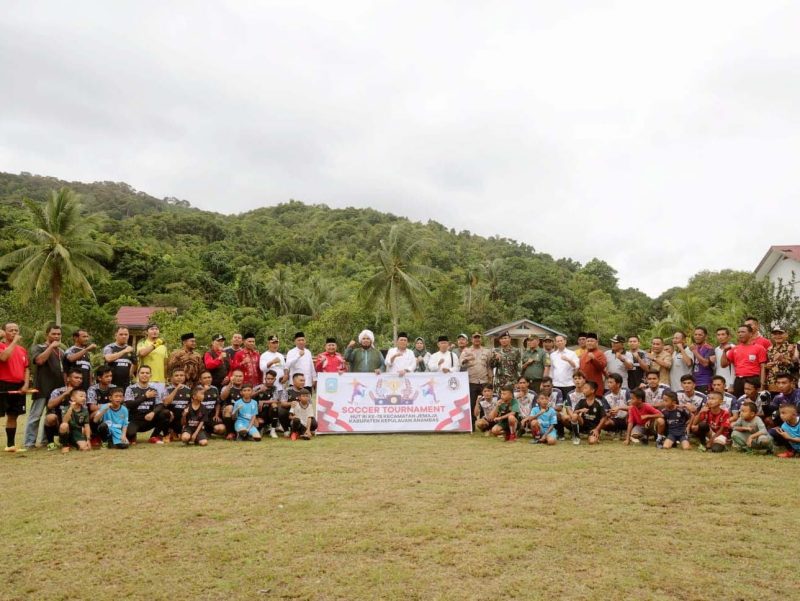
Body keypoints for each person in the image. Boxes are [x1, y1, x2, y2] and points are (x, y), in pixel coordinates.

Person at [26, 323, 63, 450]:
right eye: (54, 334)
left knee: (50, 416)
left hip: (56, 390)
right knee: (35, 416)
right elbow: (39, 361)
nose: (56, 336)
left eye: (59, 334)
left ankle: (45, 441)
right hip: (42, 387)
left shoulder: (61, 352)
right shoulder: (39, 347)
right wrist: (50, 347)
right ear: (47, 334)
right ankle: (29, 443)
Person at [0, 322, 31, 453]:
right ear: (4, 333)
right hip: (2, 384)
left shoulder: (22, 349)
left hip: (18, 385)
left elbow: (26, 368)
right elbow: (4, 357)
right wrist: (13, 342)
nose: (14, 332)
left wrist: (26, 384)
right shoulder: (1, 346)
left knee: (13, 415)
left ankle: (10, 445)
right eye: (11, 330)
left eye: (16, 330)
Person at [124, 365, 168, 444]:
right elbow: (129, 404)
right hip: (135, 420)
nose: (145, 375)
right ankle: (132, 436)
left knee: (165, 413)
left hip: (149, 419)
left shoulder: (154, 389)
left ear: (150, 375)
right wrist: (145, 397)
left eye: (147, 373)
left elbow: (160, 404)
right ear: (138, 375)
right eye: (142, 373)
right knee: (130, 434)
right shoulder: (130, 388)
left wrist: (153, 412)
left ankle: (154, 437)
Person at [721, 324, 767, 397]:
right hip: (738, 380)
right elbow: (723, 365)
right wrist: (724, 352)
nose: (740, 334)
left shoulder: (759, 348)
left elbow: (763, 367)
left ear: (751, 334)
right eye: (739, 332)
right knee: (739, 401)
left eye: (743, 332)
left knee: (753, 402)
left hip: (753, 379)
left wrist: (762, 385)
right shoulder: (735, 349)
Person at [44, 368, 84, 449]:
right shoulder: (58, 391)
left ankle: (69, 440)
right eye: (76, 377)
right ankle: (51, 443)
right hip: (59, 423)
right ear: (68, 378)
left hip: (75, 424)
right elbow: (49, 405)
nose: (79, 380)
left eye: (80, 378)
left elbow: (84, 411)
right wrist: (65, 394)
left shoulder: (82, 393)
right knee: (50, 417)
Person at [459, 332, 493, 427]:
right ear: (471, 340)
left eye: (478, 338)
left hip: (484, 380)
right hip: (471, 381)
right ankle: (472, 425)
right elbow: (461, 364)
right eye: (475, 338)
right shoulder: (466, 351)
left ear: (481, 339)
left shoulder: (487, 351)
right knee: (472, 403)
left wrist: (490, 379)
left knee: (485, 403)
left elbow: (489, 366)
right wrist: (466, 360)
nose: (477, 339)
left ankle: (484, 424)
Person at [569, 380, 605, 445]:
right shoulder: (581, 401)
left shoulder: (598, 402)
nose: (583, 390)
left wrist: (597, 429)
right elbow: (575, 412)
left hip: (593, 427)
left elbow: (604, 418)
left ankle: (594, 437)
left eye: (585, 388)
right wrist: (580, 410)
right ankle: (576, 437)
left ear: (592, 390)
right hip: (582, 424)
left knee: (592, 442)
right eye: (583, 388)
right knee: (574, 416)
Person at [136, 323, 168, 393]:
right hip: (145, 379)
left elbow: (165, 364)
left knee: (160, 400)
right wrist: (156, 344)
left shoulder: (163, 347)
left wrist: (165, 379)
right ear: (146, 332)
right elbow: (142, 353)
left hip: (160, 381)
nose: (155, 331)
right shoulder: (142, 343)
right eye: (152, 329)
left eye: (156, 329)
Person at [58, 388, 92, 454]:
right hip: (68, 430)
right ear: (72, 398)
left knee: (85, 448)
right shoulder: (65, 408)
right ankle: (65, 445)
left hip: (77, 431)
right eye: (81, 396)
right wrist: (71, 408)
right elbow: (64, 421)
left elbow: (87, 425)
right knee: (64, 425)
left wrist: (88, 439)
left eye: (85, 397)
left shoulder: (85, 410)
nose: (84, 398)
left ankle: (74, 444)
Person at [764, 326, 795, 395]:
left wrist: (783, 360)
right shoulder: (769, 349)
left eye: (780, 333)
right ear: (772, 336)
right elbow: (766, 365)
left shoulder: (792, 347)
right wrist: (767, 366)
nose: (778, 336)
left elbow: (795, 366)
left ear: (786, 335)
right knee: (774, 401)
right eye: (775, 334)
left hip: (787, 383)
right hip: (772, 383)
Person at [162, 368, 191, 440]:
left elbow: (191, 404)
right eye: (176, 375)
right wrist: (177, 388)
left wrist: (186, 411)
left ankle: (181, 431)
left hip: (183, 418)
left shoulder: (189, 390)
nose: (179, 377)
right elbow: (166, 403)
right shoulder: (167, 389)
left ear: (185, 377)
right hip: (172, 417)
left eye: (181, 375)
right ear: (172, 378)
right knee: (165, 413)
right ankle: (168, 432)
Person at [256, 369, 284, 438]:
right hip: (258, 412)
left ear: (275, 379)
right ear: (265, 378)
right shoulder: (259, 387)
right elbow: (249, 395)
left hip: (269, 412)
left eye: (272, 379)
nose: (270, 380)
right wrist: (259, 391)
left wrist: (263, 401)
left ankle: (273, 430)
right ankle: (263, 427)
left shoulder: (276, 389)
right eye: (268, 379)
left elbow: (276, 400)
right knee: (258, 430)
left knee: (274, 406)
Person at [549, 335, 578, 400]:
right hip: (556, 384)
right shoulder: (552, 355)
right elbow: (551, 370)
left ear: (565, 342)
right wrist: (551, 382)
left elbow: (576, 366)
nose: (559, 342)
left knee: (568, 403)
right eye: (558, 341)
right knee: (556, 403)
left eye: (561, 341)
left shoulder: (572, 353)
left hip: (569, 384)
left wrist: (568, 360)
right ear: (555, 343)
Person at [601, 373, 630, 438]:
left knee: (631, 414)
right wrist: (610, 413)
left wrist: (619, 408)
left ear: (618, 384)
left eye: (611, 382)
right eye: (608, 382)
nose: (608, 384)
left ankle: (626, 431)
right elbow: (606, 412)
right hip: (615, 419)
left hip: (627, 418)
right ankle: (615, 431)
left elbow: (632, 407)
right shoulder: (606, 396)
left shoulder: (626, 392)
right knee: (605, 422)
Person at [198, 370, 226, 437]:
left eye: (209, 377)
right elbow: (195, 402)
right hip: (200, 415)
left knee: (221, 429)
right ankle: (204, 430)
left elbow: (217, 403)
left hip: (211, 415)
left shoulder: (215, 388)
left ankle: (209, 431)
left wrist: (216, 415)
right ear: (200, 380)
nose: (208, 379)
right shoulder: (197, 388)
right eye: (205, 378)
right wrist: (204, 390)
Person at [688, 327, 715, 393]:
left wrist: (695, 351)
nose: (697, 336)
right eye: (695, 334)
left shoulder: (709, 348)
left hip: (705, 382)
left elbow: (705, 363)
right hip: (694, 382)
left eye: (700, 335)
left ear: (705, 336)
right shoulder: (692, 347)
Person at [219, 369, 245, 439]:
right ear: (232, 377)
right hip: (229, 412)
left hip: (243, 411)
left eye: (240, 376)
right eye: (236, 376)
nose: (238, 378)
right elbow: (222, 398)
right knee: (230, 407)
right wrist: (230, 383)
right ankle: (230, 432)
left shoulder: (246, 388)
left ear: (243, 377)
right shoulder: (226, 387)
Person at [714, 327, 736, 392]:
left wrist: (731, 384)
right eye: (718, 335)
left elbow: (735, 367)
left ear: (728, 336)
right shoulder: (716, 349)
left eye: (723, 334)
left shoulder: (733, 348)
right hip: (718, 383)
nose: (720, 337)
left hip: (729, 384)